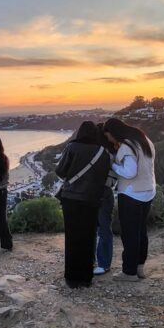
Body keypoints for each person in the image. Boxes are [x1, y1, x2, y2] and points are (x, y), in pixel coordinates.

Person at [55, 121, 112, 288]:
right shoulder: (102, 151)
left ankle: (72, 278)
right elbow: (103, 176)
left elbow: (60, 171)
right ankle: (86, 277)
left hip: (71, 198)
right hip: (92, 199)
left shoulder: (72, 148)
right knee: (89, 236)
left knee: (72, 238)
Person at [102, 118, 156, 282]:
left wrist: (112, 165)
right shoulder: (145, 140)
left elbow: (129, 172)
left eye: (108, 136)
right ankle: (139, 267)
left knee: (130, 234)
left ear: (114, 132)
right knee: (141, 231)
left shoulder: (127, 146)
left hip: (132, 193)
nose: (109, 140)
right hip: (148, 190)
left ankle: (129, 272)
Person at [94, 127, 117, 275]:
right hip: (103, 192)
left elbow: (111, 177)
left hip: (100, 193)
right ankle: (102, 262)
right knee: (101, 228)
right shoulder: (110, 152)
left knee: (102, 229)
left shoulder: (107, 154)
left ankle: (104, 263)